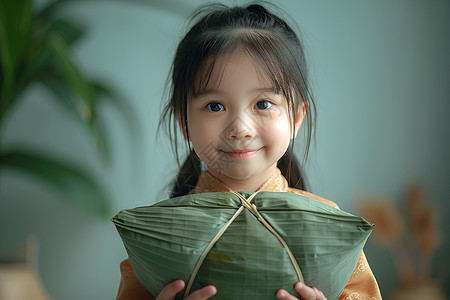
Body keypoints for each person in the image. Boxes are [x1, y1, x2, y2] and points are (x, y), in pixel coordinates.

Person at [117, 3, 382, 300]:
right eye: (215, 106)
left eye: (263, 104)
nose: (241, 128)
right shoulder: (154, 238)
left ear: (296, 118)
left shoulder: (333, 229)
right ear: (184, 122)